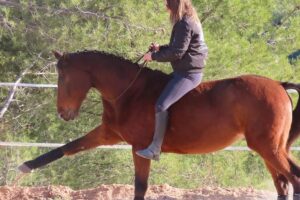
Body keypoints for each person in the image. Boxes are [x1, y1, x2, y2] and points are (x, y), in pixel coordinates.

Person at [136, 0, 208, 161]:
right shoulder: (188, 20)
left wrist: (153, 56)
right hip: (184, 71)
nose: (165, 6)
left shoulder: (185, 23)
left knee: (161, 105)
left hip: (188, 74)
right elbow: (177, 46)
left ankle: (155, 149)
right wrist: (160, 48)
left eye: (167, 3)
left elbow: (177, 53)